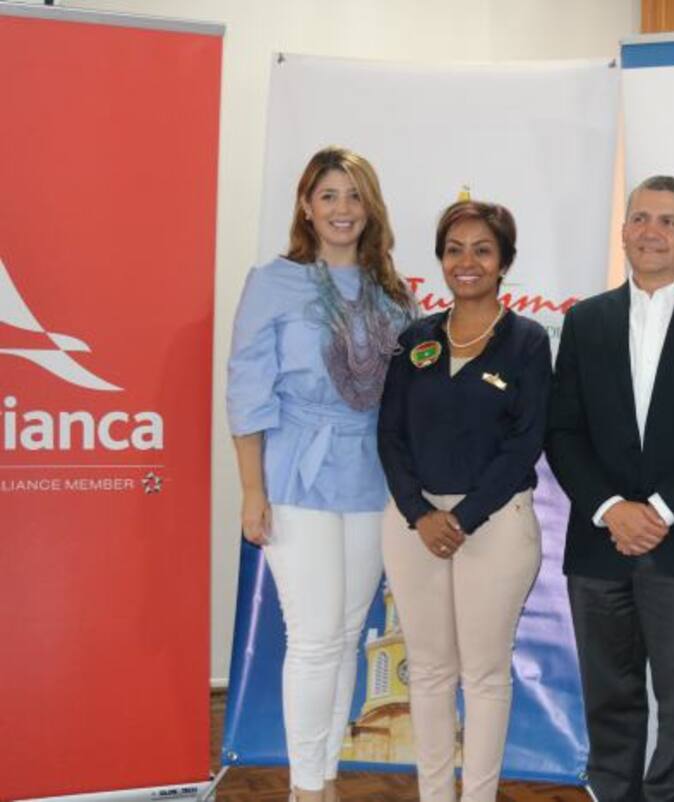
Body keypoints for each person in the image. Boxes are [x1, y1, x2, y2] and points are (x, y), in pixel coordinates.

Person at [546, 175, 674, 802]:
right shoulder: (586, 320)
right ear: (623, 231)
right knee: (609, 703)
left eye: (667, 221)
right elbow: (561, 429)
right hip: (599, 545)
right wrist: (612, 509)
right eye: (639, 218)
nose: (651, 232)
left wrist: (658, 510)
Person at [227, 146, 416, 802]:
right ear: (307, 206)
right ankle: (305, 788)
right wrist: (252, 489)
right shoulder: (273, 282)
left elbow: (412, 392)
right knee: (311, 636)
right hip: (296, 473)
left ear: (371, 208)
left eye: (354, 196)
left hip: (370, 476)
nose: (342, 209)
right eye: (329, 195)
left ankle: (328, 773)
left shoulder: (395, 293)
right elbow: (247, 389)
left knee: (344, 632)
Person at [377, 199, 550, 802]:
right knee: (426, 672)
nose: (467, 261)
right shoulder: (414, 339)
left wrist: (463, 517)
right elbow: (390, 435)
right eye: (455, 249)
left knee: (483, 675)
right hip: (413, 526)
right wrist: (420, 514)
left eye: (482, 249)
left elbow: (525, 442)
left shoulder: (527, 342)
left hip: (495, 525)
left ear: (504, 261)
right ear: (441, 261)